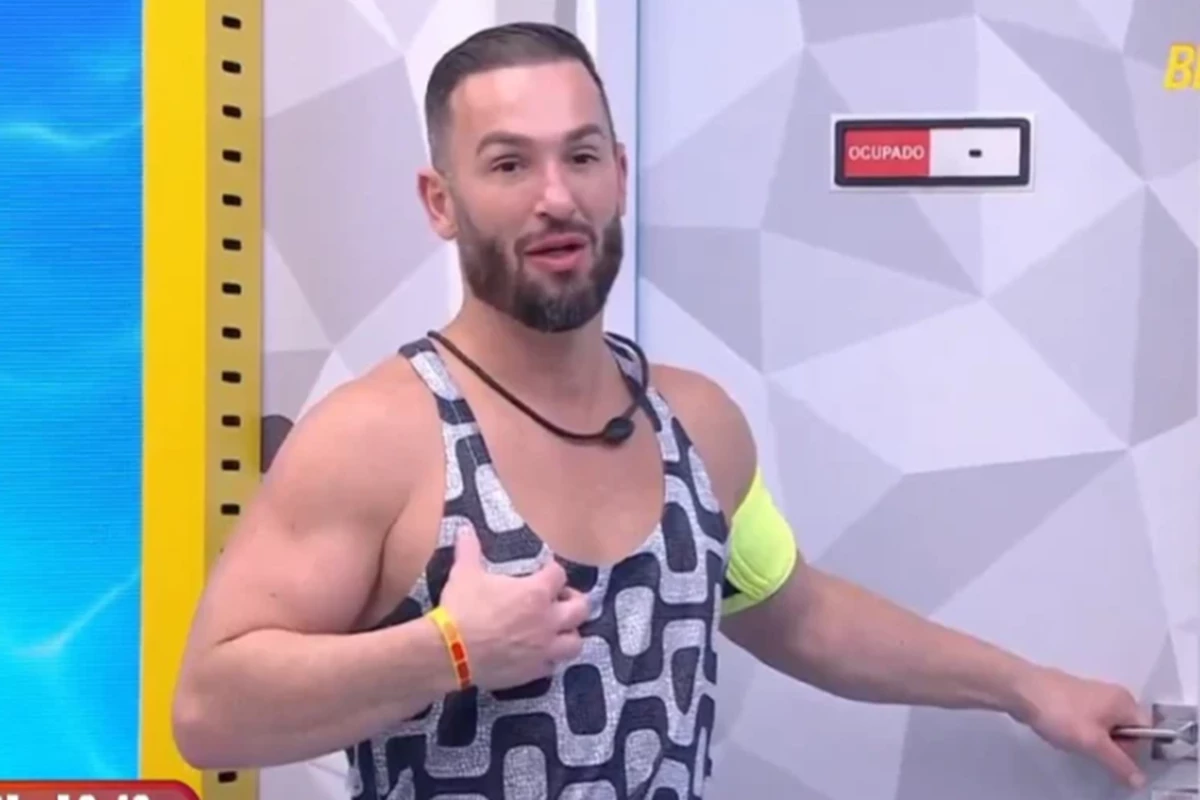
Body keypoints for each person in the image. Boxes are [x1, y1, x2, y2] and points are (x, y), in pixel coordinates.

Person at [172, 21, 1152, 800]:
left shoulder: (697, 423)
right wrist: (449, 649)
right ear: (441, 201)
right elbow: (210, 713)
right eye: (509, 165)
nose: (556, 197)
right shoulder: (378, 437)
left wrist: (1029, 688)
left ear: (620, 173)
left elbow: (795, 612)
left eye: (581, 157)